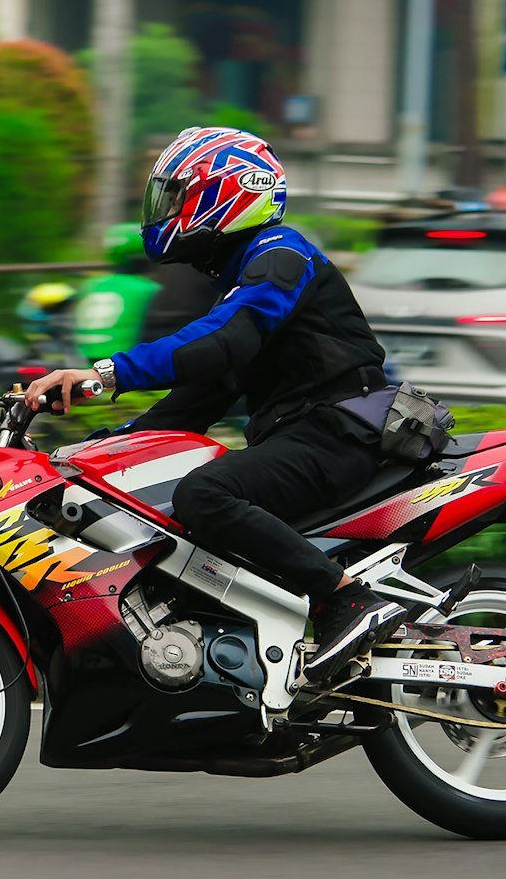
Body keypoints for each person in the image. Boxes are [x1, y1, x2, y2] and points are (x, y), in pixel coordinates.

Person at [25, 126, 404, 682]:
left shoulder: (281, 257)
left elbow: (225, 341)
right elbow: (197, 399)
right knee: (156, 497)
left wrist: (105, 374)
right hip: (305, 435)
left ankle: (347, 600)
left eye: (178, 195)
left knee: (204, 493)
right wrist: (90, 454)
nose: (167, 209)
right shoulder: (240, 275)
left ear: (225, 195)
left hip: (339, 431)